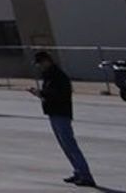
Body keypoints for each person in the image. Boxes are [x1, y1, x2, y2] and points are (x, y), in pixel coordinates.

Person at [31, 51, 95, 187]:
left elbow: (58, 94)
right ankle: (78, 171)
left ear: (47, 61)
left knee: (70, 145)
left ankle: (86, 175)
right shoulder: (49, 75)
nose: (39, 67)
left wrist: (41, 93)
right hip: (54, 112)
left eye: (40, 63)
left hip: (61, 113)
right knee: (65, 146)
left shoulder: (57, 76)